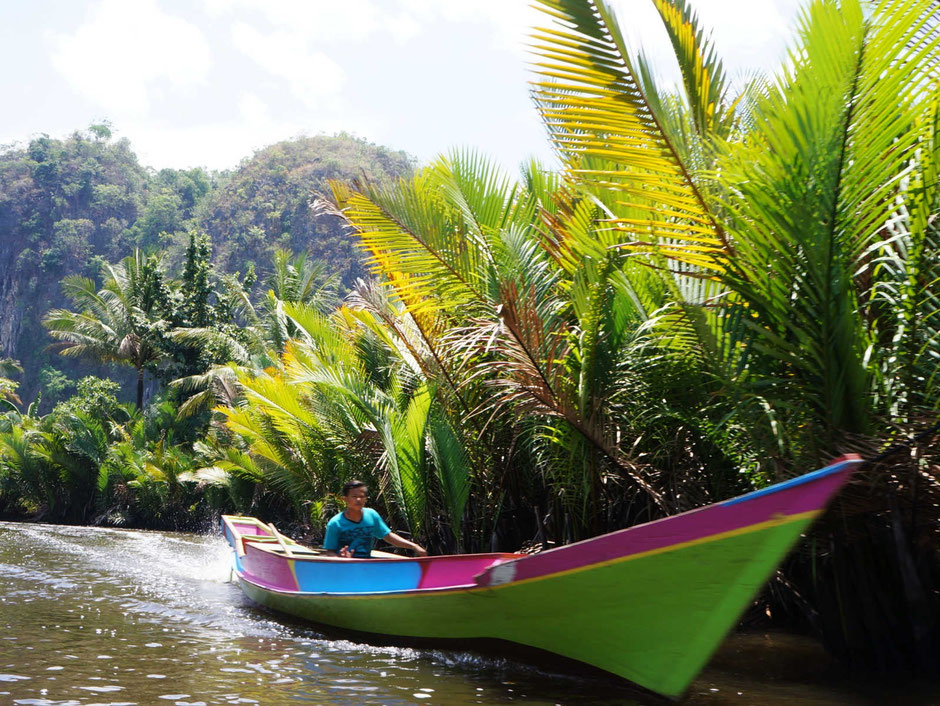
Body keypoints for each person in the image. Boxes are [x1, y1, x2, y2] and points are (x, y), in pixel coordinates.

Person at [323, 480, 427, 558]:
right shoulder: (335, 523)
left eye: (362, 496)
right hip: (344, 569)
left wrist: (414, 546)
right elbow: (329, 551)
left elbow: (388, 536)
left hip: (367, 566)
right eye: (354, 496)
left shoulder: (371, 515)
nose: (358, 499)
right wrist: (341, 559)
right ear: (345, 499)